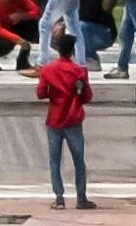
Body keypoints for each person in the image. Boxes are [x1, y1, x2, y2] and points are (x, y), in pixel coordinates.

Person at [43, 29, 98, 208]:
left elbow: (40, 93)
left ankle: (59, 198)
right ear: (73, 50)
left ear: (58, 50)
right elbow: (87, 97)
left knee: (54, 160)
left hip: (54, 119)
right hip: (73, 119)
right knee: (79, 161)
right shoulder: (79, 71)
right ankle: (81, 197)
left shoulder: (48, 69)